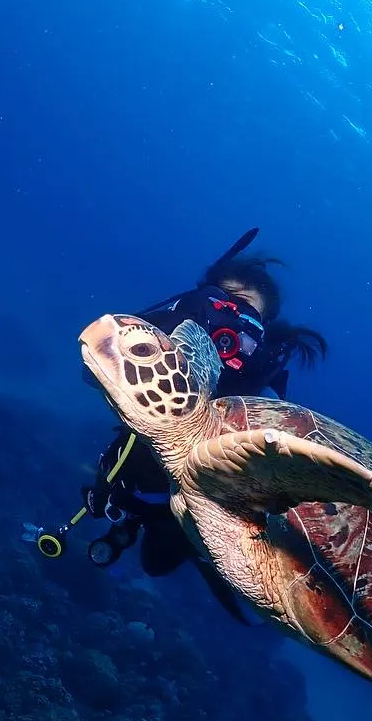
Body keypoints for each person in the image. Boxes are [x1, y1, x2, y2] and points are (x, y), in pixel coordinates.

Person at [32, 228, 327, 620]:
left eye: (245, 312)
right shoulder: (177, 345)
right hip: (144, 471)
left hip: (218, 499)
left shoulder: (265, 391)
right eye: (219, 302)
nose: (227, 318)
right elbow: (107, 368)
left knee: (172, 551)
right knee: (153, 556)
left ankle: (200, 547)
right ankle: (157, 526)